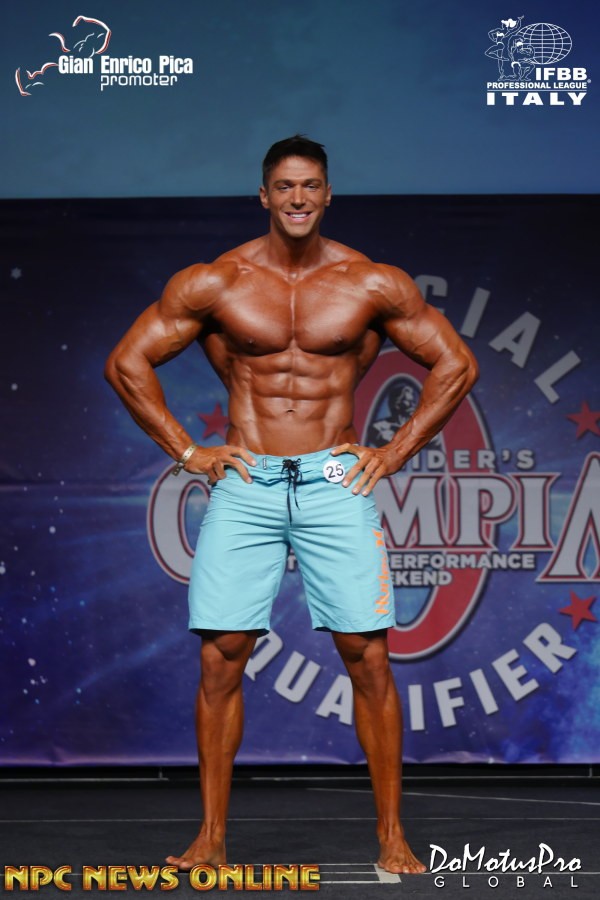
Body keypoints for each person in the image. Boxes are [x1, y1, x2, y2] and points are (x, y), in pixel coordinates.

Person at [105, 135, 478, 875]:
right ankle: (211, 837)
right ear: (265, 196)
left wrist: (392, 453)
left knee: (367, 655)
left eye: (310, 185)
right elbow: (127, 363)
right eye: (285, 186)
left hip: (334, 478)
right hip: (247, 481)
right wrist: (189, 452)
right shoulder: (217, 282)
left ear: (328, 194)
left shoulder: (370, 282)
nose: (298, 198)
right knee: (221, 656)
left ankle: (392, 837)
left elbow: (455, 364)